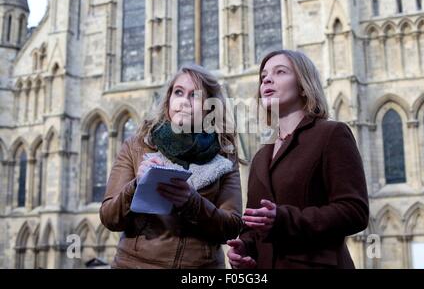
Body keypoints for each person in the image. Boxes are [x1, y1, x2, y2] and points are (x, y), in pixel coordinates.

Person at [227, 49, 369, 269]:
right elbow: (255, 226)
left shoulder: (332, 134)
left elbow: (355, 212)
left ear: (303, 85)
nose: (267, 79)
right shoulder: (260, 157)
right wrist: (245, 248)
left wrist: (284, 219)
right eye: (263, 76)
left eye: (280, 72)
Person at [100, 64, 243, 268]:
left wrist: (191, 202)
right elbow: (109, 218)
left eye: (195, 96)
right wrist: (136, 185)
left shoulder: (225, 154)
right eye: (178, 92)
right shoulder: (138, 145)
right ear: (168, 100)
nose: (184, 102)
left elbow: (231, 227)